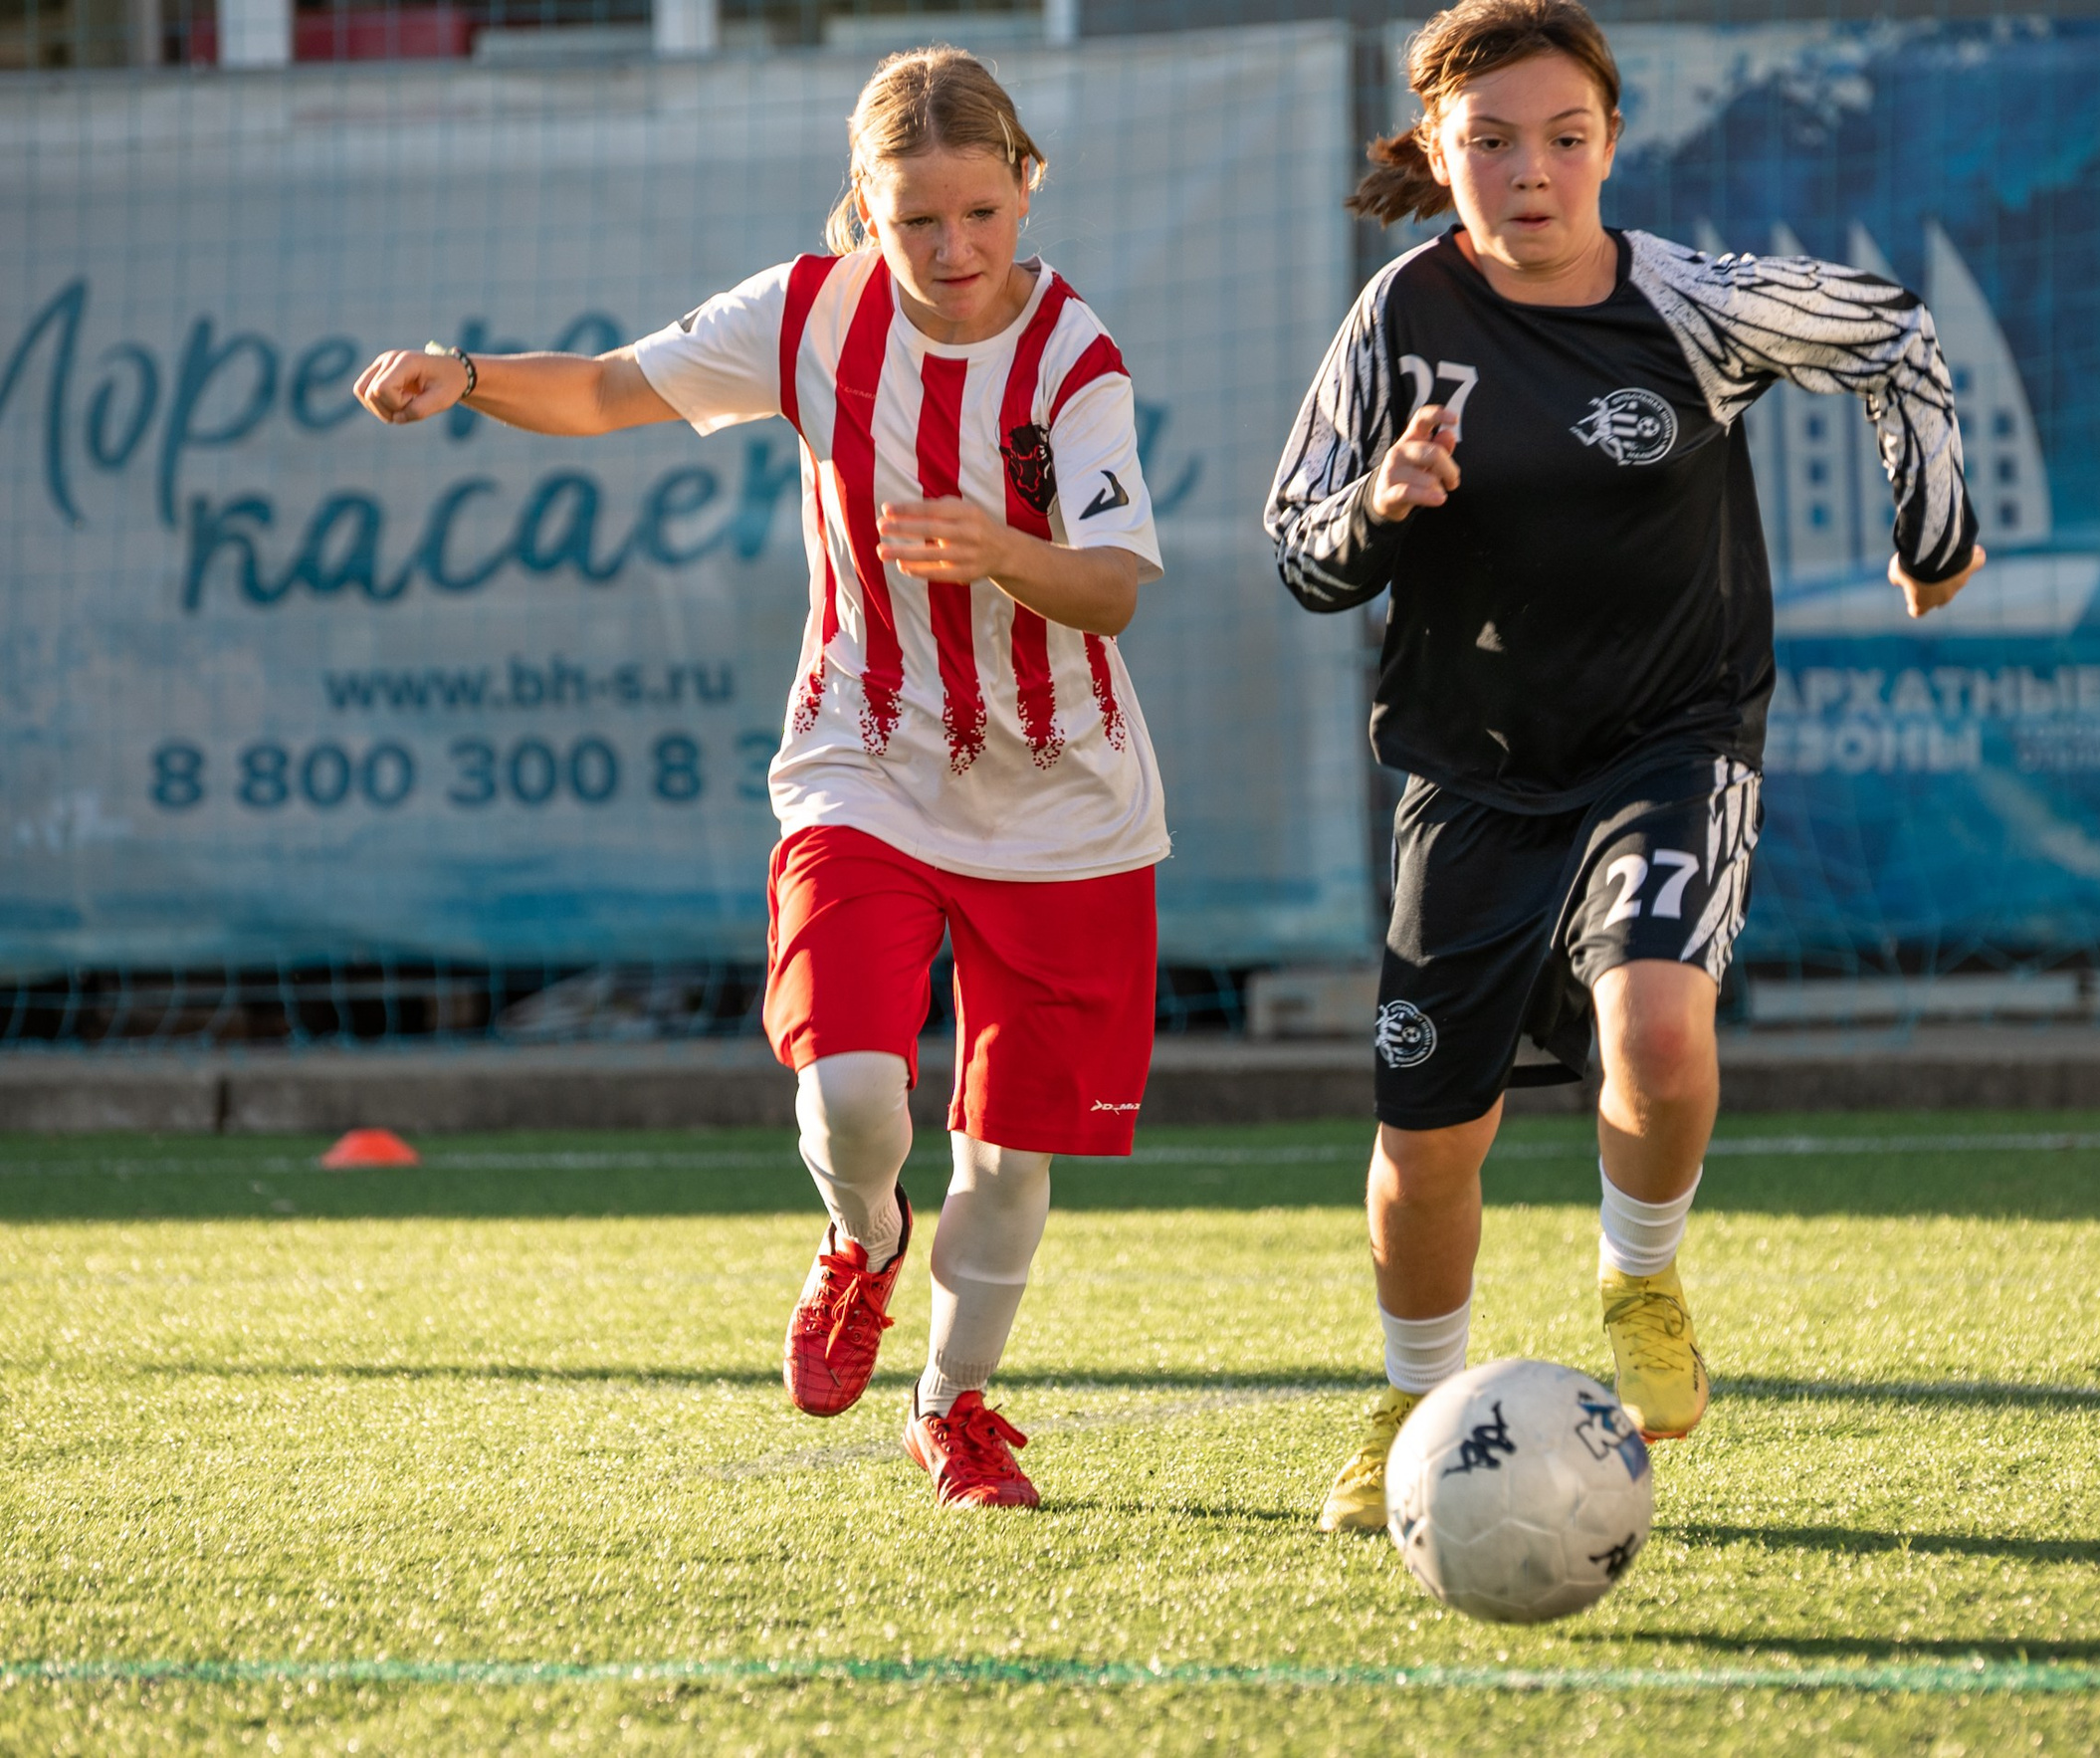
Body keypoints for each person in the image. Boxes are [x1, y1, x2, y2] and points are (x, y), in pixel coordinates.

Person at [355, 49, 1168, 1510]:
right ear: (864, 201)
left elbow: (1113, 589)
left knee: (1013, 1152)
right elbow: (608, 390)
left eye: (980, 212)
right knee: (853, 1088)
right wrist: (467, 376)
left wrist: (1001, 552)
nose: (954, 250)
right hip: (859, 759)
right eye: (916, 218)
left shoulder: (1074, 357)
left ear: (1025, 186)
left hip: (1065, 800)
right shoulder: (805, 311)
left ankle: (955, 1404)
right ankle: (862, 1238)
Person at [1264, 0, 1986, 1532]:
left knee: (1658, 1035)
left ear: (1611, 141)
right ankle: (1409, 1400)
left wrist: (1934, 529)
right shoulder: (1398, 321)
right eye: (1492, 143)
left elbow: (1892, 332)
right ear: (1442, 154)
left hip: (1673, 741)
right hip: (1469, 777)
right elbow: (1297, 549)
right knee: (1426, 1143)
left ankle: (1640, 1278)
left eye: (1565, 138)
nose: (1532, 171)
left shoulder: (1699, 304)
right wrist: (1381, 504)